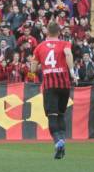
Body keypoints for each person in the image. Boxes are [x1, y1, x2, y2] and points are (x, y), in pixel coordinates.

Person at [31, 22, 76, 159]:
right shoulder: (65, 44)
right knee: (61, 114)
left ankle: (58, 142)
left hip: (50, 86)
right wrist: (72, 72)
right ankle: (62, 140)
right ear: (59, 32)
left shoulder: (39, 47)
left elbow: (33, 69)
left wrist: (41, 66)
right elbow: (68, 54)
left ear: (47, 32)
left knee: (52, 116)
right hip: (64, 85)